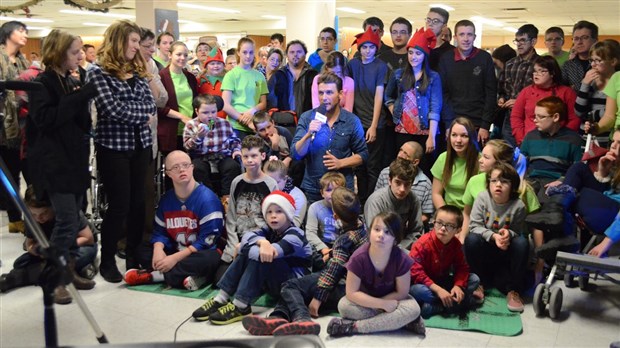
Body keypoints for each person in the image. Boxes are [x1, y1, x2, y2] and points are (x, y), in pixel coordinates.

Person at [27, 29, 99, 301]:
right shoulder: (42, 83)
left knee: (73, 218)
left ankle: (68, 272)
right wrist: (79, 97)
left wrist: (82, 95)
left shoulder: (69, 80)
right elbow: (46, 119)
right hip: (54, 165)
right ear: (58, 53)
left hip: (75, 162)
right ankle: (53, 278)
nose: (80, 56)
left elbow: (81, 124)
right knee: (67, 220)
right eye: (74, 52)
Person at [242, 187, 367, 336]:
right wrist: (332, 253)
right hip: (353, 282)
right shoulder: (362, 226)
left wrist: (318, 298)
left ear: (335, 215)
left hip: (343, 285)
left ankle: (302, 319)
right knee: (300, 287)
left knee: (290, 286)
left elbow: (333, 271)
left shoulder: (344, 239)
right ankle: (278, 317)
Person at [87, 20, 157, 282]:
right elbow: (111, 109)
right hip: (113, 148)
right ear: (119, 41)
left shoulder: (136, 71)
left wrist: (136, 114)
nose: (137, 47)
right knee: (119, 205)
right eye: (134, 41)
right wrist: (140, 114)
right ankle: (106, 260)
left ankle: (134, 254)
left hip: (140, 146)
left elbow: (149, 106)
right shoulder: (97, 72)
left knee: (139, 204)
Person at [191, 190, 312, 325]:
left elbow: (266, 253)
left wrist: (244, 246)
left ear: (289, 214)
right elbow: (248, 236)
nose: (273, 216)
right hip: (276, 282)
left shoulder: (296, 234)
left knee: (262, 257)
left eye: (279, 211)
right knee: (255, 252)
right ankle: (221, 299)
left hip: (294, 286)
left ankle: (241, 306)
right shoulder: (269, 230)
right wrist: (262, 242)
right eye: (269, 212)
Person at [124, 151, 224, 290]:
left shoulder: (208, 199)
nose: (182, 169)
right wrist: (159, 250)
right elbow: (159, 232)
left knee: (211, 258)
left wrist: (174, 259)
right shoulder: (167, 199)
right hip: (175, 248)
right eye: (176, 167)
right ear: (169, 173)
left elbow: (208, 240)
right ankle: (194, 276)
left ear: (192, 167)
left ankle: (156, 276)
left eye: (185, 165)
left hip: (197, 253)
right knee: (143, 249)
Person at [327, 212, 424, 337]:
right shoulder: (358, 257)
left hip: (393, 299)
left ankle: (352, 327)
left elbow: (402, 292)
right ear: (369, 232)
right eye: (376, 230)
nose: (381, 235)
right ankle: (404, 322)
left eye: (388, 232)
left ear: (396, 238)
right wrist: (381, 305)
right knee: (344, 307)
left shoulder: (401, 258)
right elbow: (351, 293)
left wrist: (385, 303)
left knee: (413, 309)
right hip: (366, 301)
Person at [0, 186, 97, 303]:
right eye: (34, 214)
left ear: (53, 207)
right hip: (50, 252)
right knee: (20, 262)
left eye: (44, 213)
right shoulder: (31, 217)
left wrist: (60, 248)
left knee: (84, 254)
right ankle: (68, 273)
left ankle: (19, 277)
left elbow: (88, 238)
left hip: (76, 247)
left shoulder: (67, 211)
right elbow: (29, 243)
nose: (39, 218)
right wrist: (36, 250)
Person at [291, 72, 368, 204]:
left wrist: (341, 163)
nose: (324, 98)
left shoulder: (351, 120)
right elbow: (296, 154)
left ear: (340, 94)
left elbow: (363, 154)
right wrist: (308, 134)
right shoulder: (307, 117)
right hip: (314, 189)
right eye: (321, 93)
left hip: (342, 189)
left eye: (329, 93)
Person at [465, 162, 529, 313]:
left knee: (522, 243)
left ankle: (513, 290)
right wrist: (493, 236)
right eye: (494, 181)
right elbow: (474, 225)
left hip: (505, 252)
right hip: (485, 248)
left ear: (512, 186)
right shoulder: (482, 198)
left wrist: (509, 234)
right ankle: (477, 283)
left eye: (504, 181)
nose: (498, 185)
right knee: (471, 239)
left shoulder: (518, 205)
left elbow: (518, 231)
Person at [384, 27, 441, 177]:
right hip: (403, 130)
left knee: (424, 169)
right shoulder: (398, 74)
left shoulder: (433, 77)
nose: (413, 57)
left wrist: (432, 136)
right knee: (402, 169)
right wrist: (395, 113)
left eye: (418, 53)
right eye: (410, 52)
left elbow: (435, 108)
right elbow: (388, 96)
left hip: (424, 131)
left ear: (424, 56)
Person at [409, 205, 483, 318]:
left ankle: (437, 306)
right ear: (433, 223)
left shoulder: (456, 245)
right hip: (426, 285)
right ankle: (458, 303)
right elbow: (415, 271)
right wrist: (438, 290)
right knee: (416, 291)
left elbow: (462, 267)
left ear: (458, 230)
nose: (443, 228)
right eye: (439, 223)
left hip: (443, 281)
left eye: (449, 226)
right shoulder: (422, 243)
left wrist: (458, 286)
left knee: (474, 279)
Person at [219, 135, 278, 275]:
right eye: (246, 156)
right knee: (220, 278)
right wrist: (233, 244)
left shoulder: (271, 184)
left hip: (259, 241)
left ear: (262, 155)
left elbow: (273, 221)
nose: (249, 160)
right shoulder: (236, 182)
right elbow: (231, 217)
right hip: (237, 240)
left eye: (254, 155)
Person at [462, 140, 539, 242]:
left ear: (500, 164)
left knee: (521, 242)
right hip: (484, 238)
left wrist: (540, 257)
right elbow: (467, 214)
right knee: (472, 239)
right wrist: (462, 240)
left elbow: (536, 225)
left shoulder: (523, 188)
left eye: (486, 157)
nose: (480, 160)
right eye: (482, 155)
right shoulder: (474, 181)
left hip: (511, 239)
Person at [347, 26, 389, 203]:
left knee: (373, 165)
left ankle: (371, 201)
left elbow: (379, 96)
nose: (368, 50)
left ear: (376, 48)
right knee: (359, 165)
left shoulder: (381, 66)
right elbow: (347, 88)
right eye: (364, 47)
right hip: (357, 122)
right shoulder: (353, 65)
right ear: (359, 48)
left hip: (375, 123)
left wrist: (373, 125)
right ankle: (361, 199)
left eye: (371, 47)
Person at [439, 20, 497, 145]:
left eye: (469, 34)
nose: (466, 39)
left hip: (478, 124)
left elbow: (491, 93)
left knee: (477, 162)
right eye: (462, 34)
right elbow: (444, 94)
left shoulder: (484, 58)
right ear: (455, 37)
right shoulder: (446, 59)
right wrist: (449, 123)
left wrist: (485, 125)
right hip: (454, 122)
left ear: (474, 37)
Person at [511, 56, 581, 146]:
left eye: (542, 71)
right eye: (535, 71)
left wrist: (564, 139)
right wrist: (521, 138)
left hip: (558, 142)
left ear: (552, 73)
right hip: (530, 140)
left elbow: (574, 119)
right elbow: (516, 117)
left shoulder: (566, 92)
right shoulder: (526, 91)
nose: (536, 74)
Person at [183, 94, 242, 201]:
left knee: (232, 166)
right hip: (201, 156)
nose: (210, 116)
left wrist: (236, 150)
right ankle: (208, 197)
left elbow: (234, 140)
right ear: (197, 111)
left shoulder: (224, 123)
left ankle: (227, 197)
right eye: (205, 113)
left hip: (222, 155)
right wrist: (198, 137)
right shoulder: (191, 125)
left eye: (213, 112)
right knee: (197, 169)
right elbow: (187, 146)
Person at [0, 21, 29, 234]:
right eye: (20, 30)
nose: (25, 35)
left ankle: (33, 214)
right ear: (7, 33)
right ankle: (14, 217)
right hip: (4, 126)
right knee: (11, 173)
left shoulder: (23, 60)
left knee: (28, 170)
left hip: (24, 124)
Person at [365, 158, 424, 251]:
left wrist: (401, 249)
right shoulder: (376, 201)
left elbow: (416, 231)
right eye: (398, 182)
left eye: (407, 184)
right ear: (390, 180)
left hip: (403, 245)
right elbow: (374, 235)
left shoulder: (413, 199)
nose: (402, 189)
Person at [497, 24, 540, 146]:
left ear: (533, 41)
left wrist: (519, 102)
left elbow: (543, 93)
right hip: (510, 118)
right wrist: (501, 98)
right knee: (509, 154)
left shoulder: (540, 65)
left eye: (523, 40)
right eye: (517, 40)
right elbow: (501, 89)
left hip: (532, 118)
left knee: (528, 152)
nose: (519, 44)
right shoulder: (510, 64)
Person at [375, 142, 433, 224]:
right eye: (401, 150)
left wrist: (408, 224)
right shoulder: (385, 173)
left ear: (415, 162)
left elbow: (426, 215)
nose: (399, 155)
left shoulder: (425, 184)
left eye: (405, 154)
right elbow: (376, 201)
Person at [575, 39, 620, 146]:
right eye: (592, 60)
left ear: (613, 62)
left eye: (598, 60)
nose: (593, 65)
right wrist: (585, 84)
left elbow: (613, 112)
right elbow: (579, 111)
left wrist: (591, 115)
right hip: (587, 135)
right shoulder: (590, 81)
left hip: (607, 136)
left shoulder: (615, 80)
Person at [221, 37, 268, 139]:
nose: (248, 56)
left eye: (251, 52)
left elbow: (263, 103)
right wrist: (243, 119)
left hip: (255, 125)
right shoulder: (231, 75)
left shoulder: (259, 76)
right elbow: (225, 104)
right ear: (238, 52)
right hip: (236, 126)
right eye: (244, 52)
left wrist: (251, 111)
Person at [431, 117, 480, 211]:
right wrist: (447, 215)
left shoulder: (481, 160)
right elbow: (436, 194)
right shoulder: (443, 158)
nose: (458, 140)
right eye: (454, 135)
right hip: (448, 211)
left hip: (473, 213)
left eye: (464, 136)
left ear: (472, 138)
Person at [158, 41, 198, 153]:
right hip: (171, 130)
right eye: (178, 54)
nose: (183, 58)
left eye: (185, 55)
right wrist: (181, 117)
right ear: (170, 55)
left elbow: (196, 101)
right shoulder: (161, 77)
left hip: (190, 130)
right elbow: (159, 107)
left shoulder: (190, 77)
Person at [304, 172, 346, 266]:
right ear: (322, 193)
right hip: (322, 244)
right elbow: (310, 233)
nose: (333, 194)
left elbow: (350, 232)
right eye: (328, 190)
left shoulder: (347, 206)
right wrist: (323, 249)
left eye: (337, 190)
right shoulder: (315, 208)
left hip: (342, 245)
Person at [272, 40, 318, 117]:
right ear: (286, 55)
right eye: (292, 52)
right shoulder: (279, 74)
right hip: (284, 122)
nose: (295, 55)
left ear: (305, 54)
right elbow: (271, 100)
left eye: (299, 52)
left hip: (308, 121)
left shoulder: (313, 75)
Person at [263, 159, 307, 228]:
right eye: (268, 182)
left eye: (276, 182)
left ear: (285, 179)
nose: (271, 186)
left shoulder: (298, 196)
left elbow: (296, 224)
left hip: (290, 233)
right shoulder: (261, 191)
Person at [562, 21, 599, 91]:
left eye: (584, 38)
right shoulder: (567, 66)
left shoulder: (602, 64)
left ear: (595, 40)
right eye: (576, 39)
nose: (579, 42)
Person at [197, 47, 227, 119]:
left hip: (224, 119)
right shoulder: (199, 81)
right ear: (207, 66)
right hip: (205, 119)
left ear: (223, 66)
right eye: (212, 64)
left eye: (219, 63)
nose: (216, 66)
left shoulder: (228, 80)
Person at [426, 7, 453, 71]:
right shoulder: (419, 49)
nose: (430, 24)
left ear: (444, 26)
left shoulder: (452, 52)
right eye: (428, 20)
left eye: (435, 21)